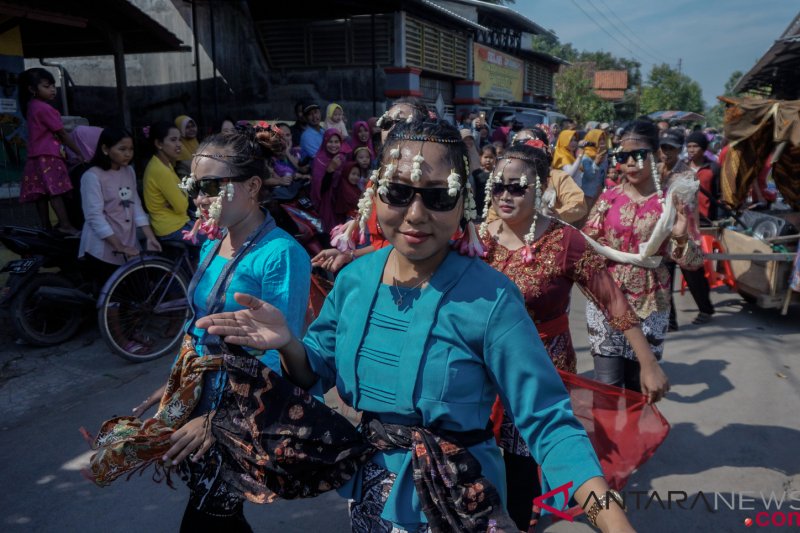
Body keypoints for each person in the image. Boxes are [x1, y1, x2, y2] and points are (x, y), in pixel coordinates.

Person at [195, 120, 635, 533]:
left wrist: (614, 523)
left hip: (461, 498)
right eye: (398, 192)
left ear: (464, 202)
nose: (416, 213)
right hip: (371, 497)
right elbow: (313, 371)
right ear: (374, 195)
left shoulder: (492, 297)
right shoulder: (354, 280)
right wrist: (289, 343)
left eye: (439, 196)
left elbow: (549, 423)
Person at [110, 124, 311, 531]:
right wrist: (177, 384)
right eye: (195, 186)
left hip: (240, 412)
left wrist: (219, 417)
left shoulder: (281, 255)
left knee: (208, 518)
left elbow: (278, 351)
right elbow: (198, 327)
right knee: (221, 518)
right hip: (199, 400)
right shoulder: (211, 241)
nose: (201, 198)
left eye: (212, 186)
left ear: (253, 186)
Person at [479, 143, 669, 530]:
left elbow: (612, 300)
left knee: (522, 456)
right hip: (483, 366)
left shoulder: (566, 242)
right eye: (498, 186)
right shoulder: (475, 237)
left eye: (517, 187)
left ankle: (525, 514)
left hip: (542, 368)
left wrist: (647, 361)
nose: (505, 195)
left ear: (541, 187)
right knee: (481, 452)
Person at [583, 120, 703, 391]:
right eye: (622, 157)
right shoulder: (608, 198)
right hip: (607, 300)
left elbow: (694, 262)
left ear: (656, 153)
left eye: (637, 155)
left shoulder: (671, 203)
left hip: (650, 303)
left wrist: (681, 235)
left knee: (639, 388)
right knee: (607, 385)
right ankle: (608, 436)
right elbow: (589, 244)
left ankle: (636, 434)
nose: (630, 164)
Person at [311, 99, 430, 273]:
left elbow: (402, 243)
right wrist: (349, 251)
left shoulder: (427, 178)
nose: (392, 128)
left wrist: (352, 254)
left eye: (401, 122)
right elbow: (379, 241)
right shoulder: (379, 176)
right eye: (387, 123)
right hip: (378, 267)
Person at [79, 127, 161, 285]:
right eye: (122, 149)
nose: (128, 154)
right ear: (105, 149)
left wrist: (150, 237)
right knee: (110, 300)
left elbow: (135, 205)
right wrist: (119, 246)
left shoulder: (128, 171)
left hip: (128, 243)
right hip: (102, 248)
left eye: (130, 149)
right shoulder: (92, 176)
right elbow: (94, 216)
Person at [18, 68, 85, 235]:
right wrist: (79, 152)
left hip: (35, 156)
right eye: (47, 86)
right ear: (32, 89)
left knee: (41, 193)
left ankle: (45, 226)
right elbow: (62, 133)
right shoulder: (44, 108)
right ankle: (65, 225)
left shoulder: (31, 106)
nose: (53, 90)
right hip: (49, 156)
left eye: (53, 86)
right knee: (56, 191)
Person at [659, 129, 715, 328]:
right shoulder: (656, 170)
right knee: (663, 277)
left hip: (683, 231)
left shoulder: (687, 174)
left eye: (671, 149)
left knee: (693, 275)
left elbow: (689, 208)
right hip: (660, 232)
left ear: (678, 150)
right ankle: (670, 320)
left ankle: (706, 309)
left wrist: (694, 234)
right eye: (663, 148)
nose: (666, 153)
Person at [143, 121, 193, 245]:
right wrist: (181, 197)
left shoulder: (164, 164)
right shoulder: (160, 170)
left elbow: (184, 193)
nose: (179, 144)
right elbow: (182, 206)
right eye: (173, 140)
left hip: (175, 222)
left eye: (179, 140)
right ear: (159, 144)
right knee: (215, 239)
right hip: (172, 227)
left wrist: (180, 197)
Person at [310, 128, 348, 233]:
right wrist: (330, 170)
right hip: (326, 204)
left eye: (336, 142)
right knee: (330, 233)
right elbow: (319, 188)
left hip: (341, 202)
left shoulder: (343, 158)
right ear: (325, 142)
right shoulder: (319, 160)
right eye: (330, 141)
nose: (333, 145)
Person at [686, 131, 721, 224]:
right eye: (689, 147)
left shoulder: (713, 168)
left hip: (706, 220)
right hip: (685, 218)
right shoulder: (682, 167)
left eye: (695, 146)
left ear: (703, 148)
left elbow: (718, 194)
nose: (691, 150)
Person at [579, 129, 610, 210]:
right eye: (599, 139)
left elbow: (603, 174)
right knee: (583, 218)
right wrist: (596, 162)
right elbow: (589, 176)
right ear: (593, 140)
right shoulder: (586, 156)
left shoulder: (603, 154)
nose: (602, 141)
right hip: (586, 193)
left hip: (599, 192)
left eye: (604, 139)